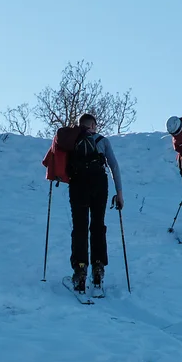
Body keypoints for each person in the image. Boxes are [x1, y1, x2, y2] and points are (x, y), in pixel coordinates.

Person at [66, 112, 122, 293]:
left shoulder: (72, 140)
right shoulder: (102, 141)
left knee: (80, 227)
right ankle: (98, 268)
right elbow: (114, 166)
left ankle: (80, 270)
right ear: (93, 126)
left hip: (78, 184)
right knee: (98, 225)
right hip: (99, 183)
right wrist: (119, 193)